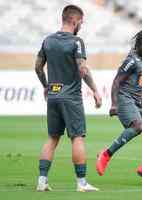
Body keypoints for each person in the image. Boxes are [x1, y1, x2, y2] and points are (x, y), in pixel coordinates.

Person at [35, 5, 102, 192]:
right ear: (75, 21)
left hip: (54, 95)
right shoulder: (77, 42)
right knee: (77, 137)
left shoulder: (47, 41)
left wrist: (46, 86)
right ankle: (81, 183)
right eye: (81, 22)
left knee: (52, 138)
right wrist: (95, 90)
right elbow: (83, 68)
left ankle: (42, 181)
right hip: (71, 97)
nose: (81, 25)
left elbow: (38, 67)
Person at [96, 30, 142, 185]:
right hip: (124, 98)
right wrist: (114, 104)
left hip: (137, 102)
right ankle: (106, 154)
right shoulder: (132, 60)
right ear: (138, 45)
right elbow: (116, 82)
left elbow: (138, 85)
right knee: (137, 126)